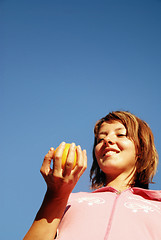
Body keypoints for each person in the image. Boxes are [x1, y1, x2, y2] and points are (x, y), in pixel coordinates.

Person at [24, 111, 161, 240]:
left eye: (120, 135)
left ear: (142, 149)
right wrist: (56, 195)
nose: (107, 140)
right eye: (101, 139)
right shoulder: (67, 200)